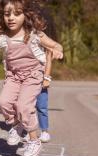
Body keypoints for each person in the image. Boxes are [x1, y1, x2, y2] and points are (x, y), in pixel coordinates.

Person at [0, 0, 63, 156]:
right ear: (2, 16)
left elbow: (55, 45)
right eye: (7, 14)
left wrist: (57, 51)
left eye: (17, 14)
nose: (11, 18)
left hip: (33, 75)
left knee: (23, 106)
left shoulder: (35, 34)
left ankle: (34, 140)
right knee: (3, 102)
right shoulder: (3, 37)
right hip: (13, 76)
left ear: (26, 15)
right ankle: (16, 125)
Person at [36, 0, 58, 143]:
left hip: (41, 77)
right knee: (27, 106)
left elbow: (48, 61)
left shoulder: (46, 44)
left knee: (41, 106)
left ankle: (44, 131)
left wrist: (47, 78)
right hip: (27, 77)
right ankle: (28, 129)